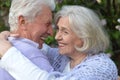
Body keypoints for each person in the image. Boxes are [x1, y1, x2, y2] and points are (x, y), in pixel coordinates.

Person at [0, 5, 118, 80]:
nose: (56, 37)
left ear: (84, 36)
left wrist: (7, 52)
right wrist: (6, 36)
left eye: (65, 32)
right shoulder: (60, 56)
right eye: (58, 29)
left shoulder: (102, 67)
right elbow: (29, 43)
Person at [0, 0, 55, 79]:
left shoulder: (7, 43)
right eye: (47, 24)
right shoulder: (32, 55)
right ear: (23, 22)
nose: (51, 32)